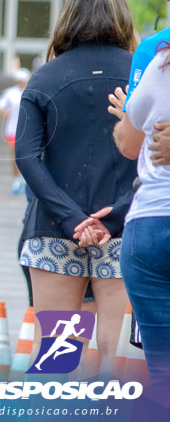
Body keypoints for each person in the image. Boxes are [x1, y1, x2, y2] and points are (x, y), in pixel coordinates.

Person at [15, 0, 136, 378]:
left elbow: (27, 156)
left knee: (58, 358)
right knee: (119, 358)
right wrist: (112, 217)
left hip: (53, 229)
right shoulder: (141, 75)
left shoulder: (44, 79)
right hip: (124, 231)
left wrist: (71, 218)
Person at [110, 40, 170, 406]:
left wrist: (129, 118)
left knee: (162, 372)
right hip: (146, 233)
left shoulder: (161, 63)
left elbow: (128, 144)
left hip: (149, 227)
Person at [0, 68, 30, 194]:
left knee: (27, 156)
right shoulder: (10, 93)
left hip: (29, 130)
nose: (20, 82)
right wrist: (7, 112)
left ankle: (25, 180)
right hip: (12, 130)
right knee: (16, 157)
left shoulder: (31, 91)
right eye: (18, 80)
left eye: (22, 80)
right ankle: (17, 180)